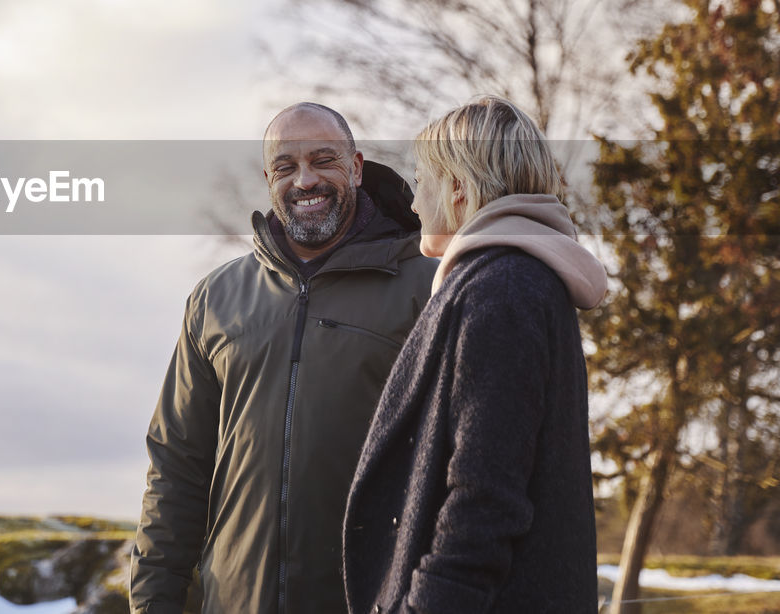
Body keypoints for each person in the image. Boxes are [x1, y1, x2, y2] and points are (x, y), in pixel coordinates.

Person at [130, 103, 438, 613]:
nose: (306, 180)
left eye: (324, 160)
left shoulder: (428, 286)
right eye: (286, 167)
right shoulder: (216, 298)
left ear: (357, 168)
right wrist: (153, 603)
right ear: (268, 179)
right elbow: (176, 466)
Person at [342, 96, 607, 614]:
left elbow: (484, 497)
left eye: (422, 180)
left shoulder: (502, 289)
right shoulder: (512, 281)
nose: (415, 203)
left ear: (458, 187)